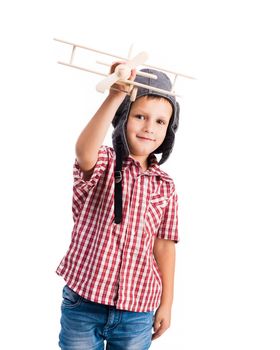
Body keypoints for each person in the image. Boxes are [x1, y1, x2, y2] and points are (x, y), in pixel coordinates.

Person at [57, 63, 180, 350]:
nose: (149, 127)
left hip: (138, 308)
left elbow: (164, 246)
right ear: (124, 117)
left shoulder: (165, 185)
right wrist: (115, 96)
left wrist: (167, 303)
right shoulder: (104, 162)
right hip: (84, 300)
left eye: (160, 121)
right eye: (140, 116)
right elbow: (83, 151)